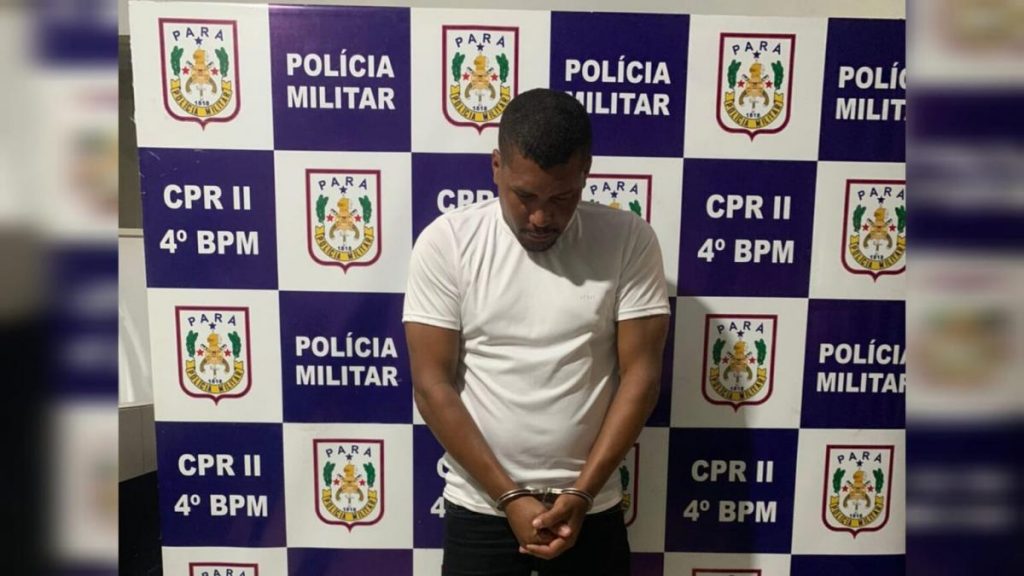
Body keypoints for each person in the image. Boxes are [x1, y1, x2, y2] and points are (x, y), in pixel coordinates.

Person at [403, 88, 670, 576]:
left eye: (562, 198)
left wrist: (582, 493)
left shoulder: (629, 239)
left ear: (586, 171)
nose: (542, 217)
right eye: (525, 196)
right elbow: (431, 385)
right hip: (481, 509)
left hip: (592, 508)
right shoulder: (447, 243)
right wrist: (509, 497)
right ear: (496, 166)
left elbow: (642, 377)